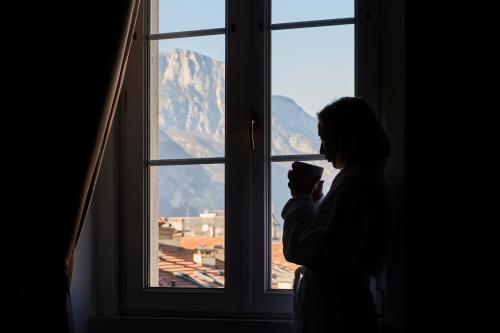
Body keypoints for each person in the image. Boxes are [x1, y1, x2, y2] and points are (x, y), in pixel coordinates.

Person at [282, 97, 394, 333]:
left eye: (325, 140)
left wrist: (301, 198)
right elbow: (335, 235)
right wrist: (315, 203)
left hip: (335, 313)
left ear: (345, 139)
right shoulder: (365, 178)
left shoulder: (356, 183)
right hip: (342, 306)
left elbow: (304, 248)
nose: (322, 150)